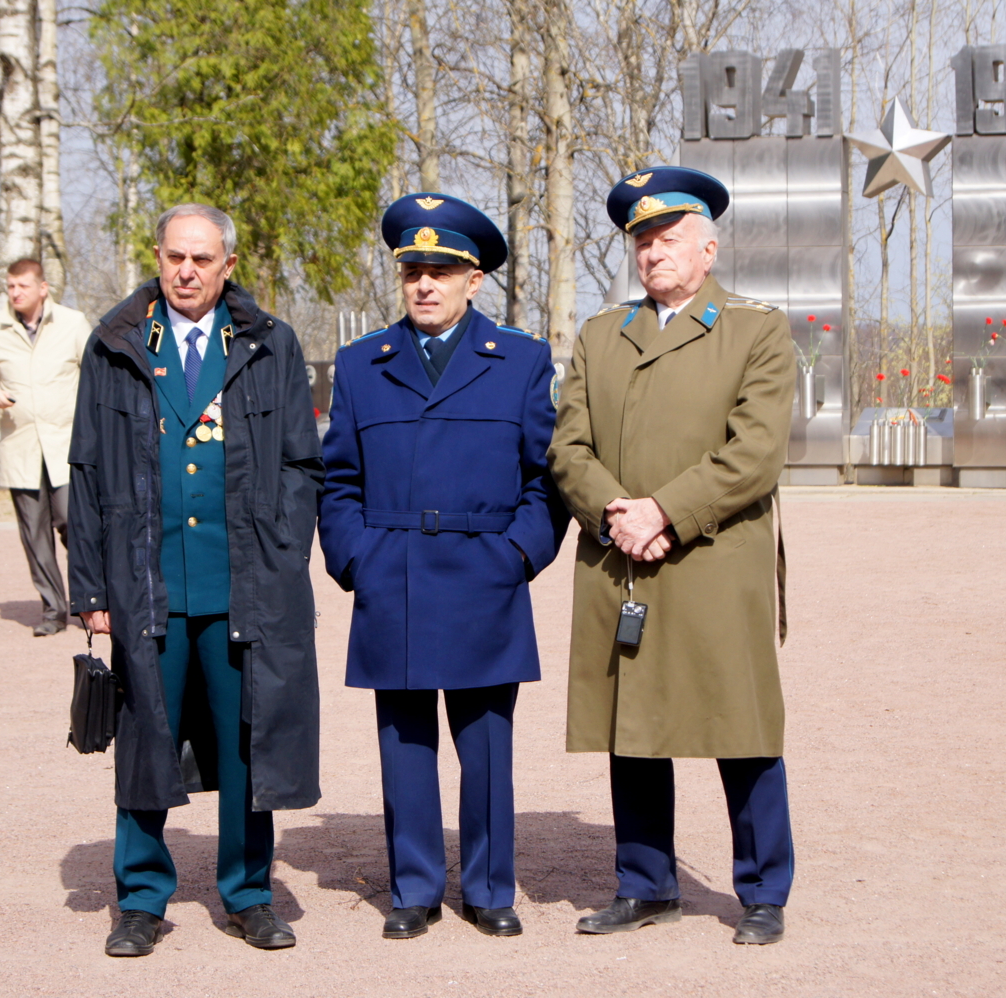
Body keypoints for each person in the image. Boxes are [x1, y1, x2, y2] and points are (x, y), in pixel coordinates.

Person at [547, 166, 797, 945]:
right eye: (642, 241)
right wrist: (618, 515)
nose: (653, 252)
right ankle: (644, 882)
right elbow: (568, 448)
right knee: (636, 723)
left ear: (709, 248)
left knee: (741, 726)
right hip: (624, 556)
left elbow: (753, 454)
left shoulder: (758, 330)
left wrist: (664, 511)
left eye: (669, 238)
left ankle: (761, 891)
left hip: (716, 560)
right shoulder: (600, 334)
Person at [67, 203, 323, 957]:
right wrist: (90, 592)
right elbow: (83, 471)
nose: (185, 271)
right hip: (144, 586)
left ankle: (248, 893)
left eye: (201, 259)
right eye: (174, 257)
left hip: (244, 585)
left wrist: (283, 555)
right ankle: (142, 897)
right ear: (158, 257)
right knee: (145, 735)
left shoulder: (271, 344)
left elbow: (303, 465)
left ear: (227, 266)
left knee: (250, 744)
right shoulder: (114, 345)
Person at [318, 193, 564, 940]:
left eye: (444, 270)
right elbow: (339, 480)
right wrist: (356, 558)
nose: (426, 284)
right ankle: (415, 888)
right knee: (405, 747)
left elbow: (546, 479)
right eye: (414, 270)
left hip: (484, 578)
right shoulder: (364, 364)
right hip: (391, 576)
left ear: (474, 279)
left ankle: (490, 888)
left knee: (486, 748)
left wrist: (519, 555)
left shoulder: (519, 359)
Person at [0, 259, 91, 636]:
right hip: (21, 446)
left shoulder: (72, 323)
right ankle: (52, 610)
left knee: (73, 524)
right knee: (34, 533)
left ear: (43, 288)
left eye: (22, 286)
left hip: (66, 445)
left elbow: (97, 371)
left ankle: (90, 601)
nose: (15, 293)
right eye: (10, 286)